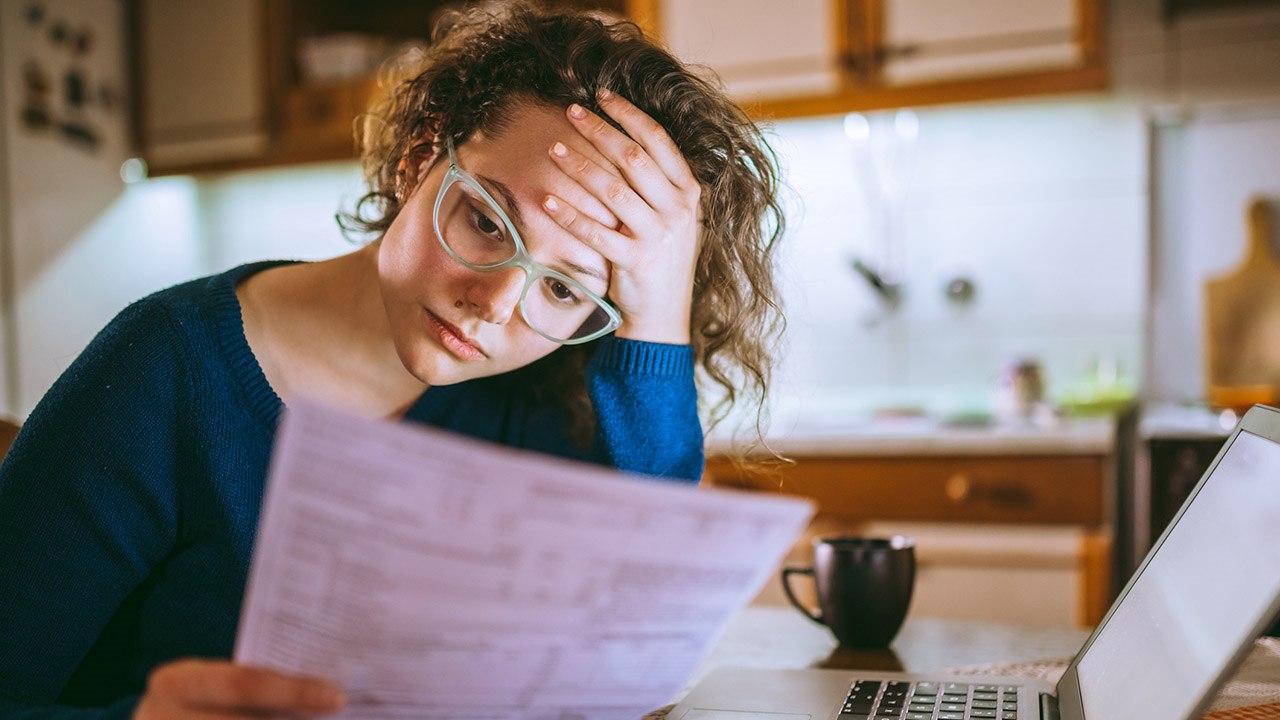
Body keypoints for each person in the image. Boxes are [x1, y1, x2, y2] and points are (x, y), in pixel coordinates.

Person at [0, 2, 785, 718]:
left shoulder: (544, 400)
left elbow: (642, 629)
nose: (496, 305)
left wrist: (655, 319)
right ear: (418, 157)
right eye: (484, 221)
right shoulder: (164, 369)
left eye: (564, 291)